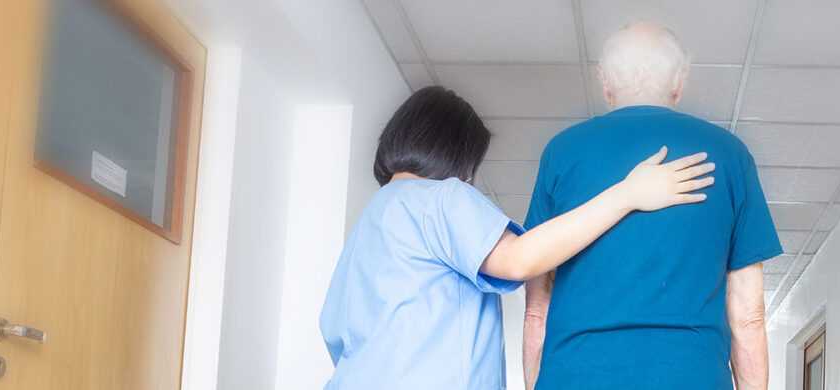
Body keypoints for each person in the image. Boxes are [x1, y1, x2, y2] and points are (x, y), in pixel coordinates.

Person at [318, 86, 717, 389]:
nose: (470, 176)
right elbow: (521, 259)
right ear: (452, 152)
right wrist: (627, 194)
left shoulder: (373, 219)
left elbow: (336, 337)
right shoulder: (439, 197)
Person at [522, 21, 780, 390]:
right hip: (690, 376)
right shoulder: (728, 154)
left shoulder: (562, 152)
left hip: (577, 375)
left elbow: (536, 311)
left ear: (605, 82)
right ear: (680, 82)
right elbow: (749, 318)